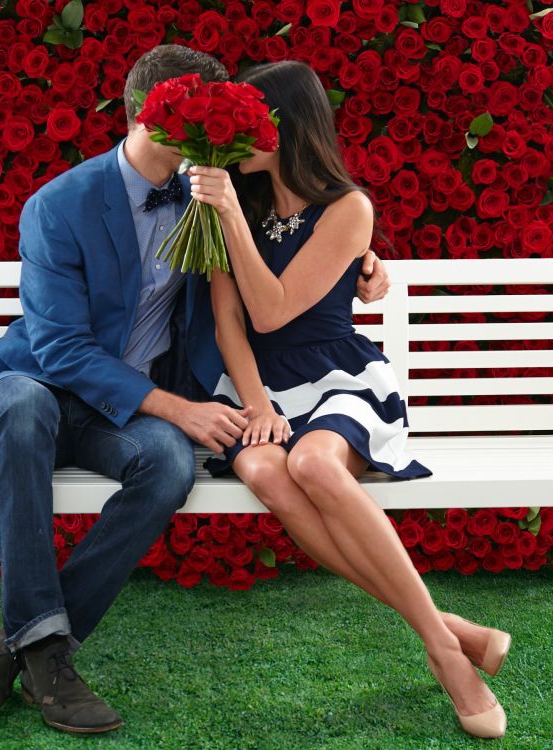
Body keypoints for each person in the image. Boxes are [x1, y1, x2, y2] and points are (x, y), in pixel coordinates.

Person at [0, 45, 392, 734]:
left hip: (123, 412)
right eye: (210, 117)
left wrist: (363, 265)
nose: (225, 133)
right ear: (163, 117)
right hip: (36, 382)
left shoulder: (213, 196)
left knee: (165, 463)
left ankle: (9, 653)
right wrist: (175, 407)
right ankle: (47, 655)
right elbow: (59, 349)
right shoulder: (59, 205)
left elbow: (292, 240)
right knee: (23, 403)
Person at [188, 60, 510, 739]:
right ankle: (446, 628)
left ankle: (446, 657)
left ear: (282, 126)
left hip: (339, 379)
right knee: (264, 468)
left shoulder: (348, 209)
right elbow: (231, 325)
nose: (235, 137)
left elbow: (272, 311)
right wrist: (257, 407)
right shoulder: (230, 207)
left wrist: (227, 216)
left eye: (248, 122)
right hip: (258, 386)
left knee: (312, 466)